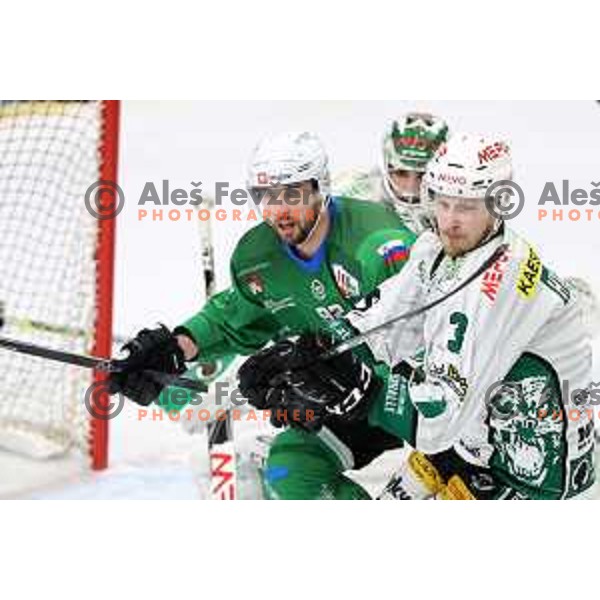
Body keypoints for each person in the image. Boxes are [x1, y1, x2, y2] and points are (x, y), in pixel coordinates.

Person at [246, 133, 596, 500]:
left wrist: (361, 391)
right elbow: (383, 324)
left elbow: (438, 420)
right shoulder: (437, 249)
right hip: (471, 450)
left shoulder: (499, 281)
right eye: (442, 203)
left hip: (537, 478)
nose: (450, 221)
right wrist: (304, 356)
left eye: (466, 207)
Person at [108, 129, 446, 499]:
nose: (278, 210)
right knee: (291, 464)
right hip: (346, 395)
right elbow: (233, 320)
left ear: (322, 187)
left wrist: (317, 369)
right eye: (266, 197)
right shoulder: (257, 257)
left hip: (422, 396)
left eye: (292, 194)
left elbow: (422, 335)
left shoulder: (378, 244)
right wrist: (175, 349)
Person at [332, 111, 449, 235]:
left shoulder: (461, 204)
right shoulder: (351, 194)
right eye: (401, 173)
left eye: (423, 175)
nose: (411, 186)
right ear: (386, 165)